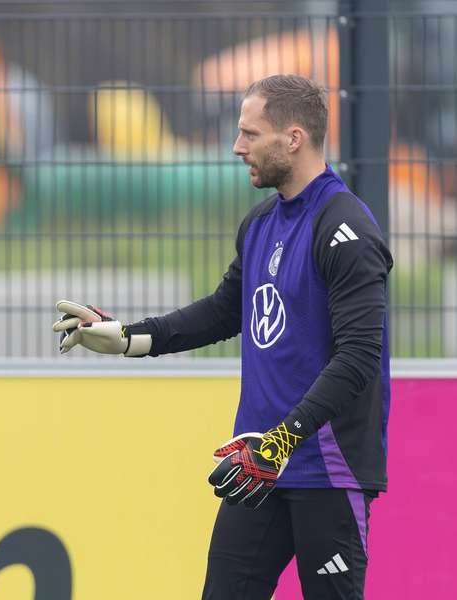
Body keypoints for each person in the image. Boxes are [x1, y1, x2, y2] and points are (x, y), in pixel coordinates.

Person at [53, 74, 392, 599]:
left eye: (250, 134)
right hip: (256, 465)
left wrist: (284, 440)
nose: (238, 147)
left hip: (324, 470)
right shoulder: (259, 224)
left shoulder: (345, 228)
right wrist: (127, 337)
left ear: (293, 139)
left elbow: (359, 355)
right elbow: (220, 313)